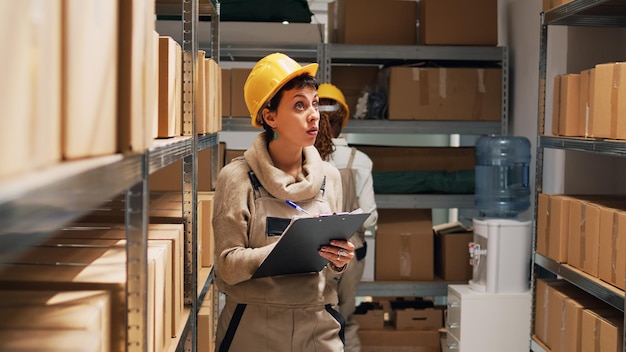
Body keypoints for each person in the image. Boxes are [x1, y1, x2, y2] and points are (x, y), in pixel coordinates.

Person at [212, 53, 356, 352]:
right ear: (270, 116)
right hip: (252, 325)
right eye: (299, 105)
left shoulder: (331, 177)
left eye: (315, 103)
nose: (314, 114)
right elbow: (227, 266)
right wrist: (285, 250)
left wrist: (339, 260)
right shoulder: (237, 178)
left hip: (318, 324)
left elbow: (330, 267)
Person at [314, 83, 378, 352]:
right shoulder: (359, 160)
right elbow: (370, 218)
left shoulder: (306, 157)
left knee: (315, 318)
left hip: (315, 252)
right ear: (344, 119)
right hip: (352, 252)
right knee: (346, 320)